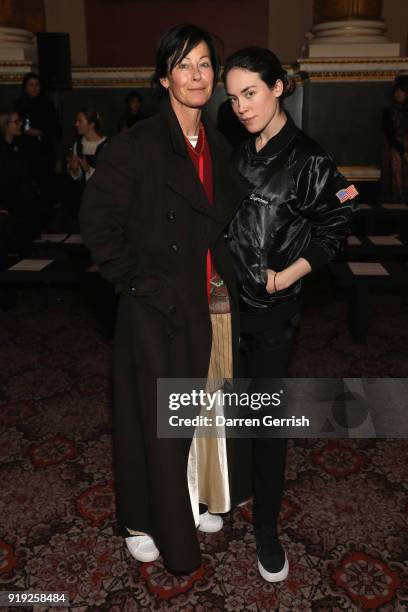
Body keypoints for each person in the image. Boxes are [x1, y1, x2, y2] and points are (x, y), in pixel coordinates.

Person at [80, 24, 250, 575]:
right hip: (155, 307)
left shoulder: (218, 146)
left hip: (204, 303)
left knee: (198, 412)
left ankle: (188, 499)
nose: (197, 75)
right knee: (148, 421)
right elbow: (97, 225)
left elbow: (225, 224)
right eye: (184, 65)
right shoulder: (137, 144)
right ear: (164, 77)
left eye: (205, 64)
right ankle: (140, 521)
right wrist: (140, 283)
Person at [223, 47, 357, 583]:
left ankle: (268, 531)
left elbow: (342, 217)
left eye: (250, 92)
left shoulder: (312, 159)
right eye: (232, 98)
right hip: (225, 306)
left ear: (278, 87)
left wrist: (290, 273)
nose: (241, 106)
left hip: (273, 313)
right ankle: (225, 492)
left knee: (266, 422)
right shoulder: (236, 151)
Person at [14, 72, 61, 225]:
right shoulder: (19, 105)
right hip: (25, 151)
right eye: (31, 85)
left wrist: (40, 132)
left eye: (37, 85)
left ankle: (45, 221)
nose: (34, 88)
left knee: (45, 187)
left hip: (44, 152)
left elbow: (55, 129)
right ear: (25, 87)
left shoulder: (47, 104)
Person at [0, 110, 38, 256]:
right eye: (16, 122)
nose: (20, 124)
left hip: (22, 206)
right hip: (7, 208)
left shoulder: (20, 147)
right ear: (5, 125)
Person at [64, 109, 108, 231]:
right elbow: (77, 177)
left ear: (91, 125)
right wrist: (75, 170)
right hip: (82, 198)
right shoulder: (77, 145)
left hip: (100, 199)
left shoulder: (106, 145)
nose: (76, 124)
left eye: (80, 121)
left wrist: (89, 169)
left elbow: (110, 177)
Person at [382, 74, 408, 203]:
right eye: (396, 90)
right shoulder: (389, 112)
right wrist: (403, 151)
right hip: (393, 150)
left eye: (402, 90)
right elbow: (389, 134)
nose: (398, 94)